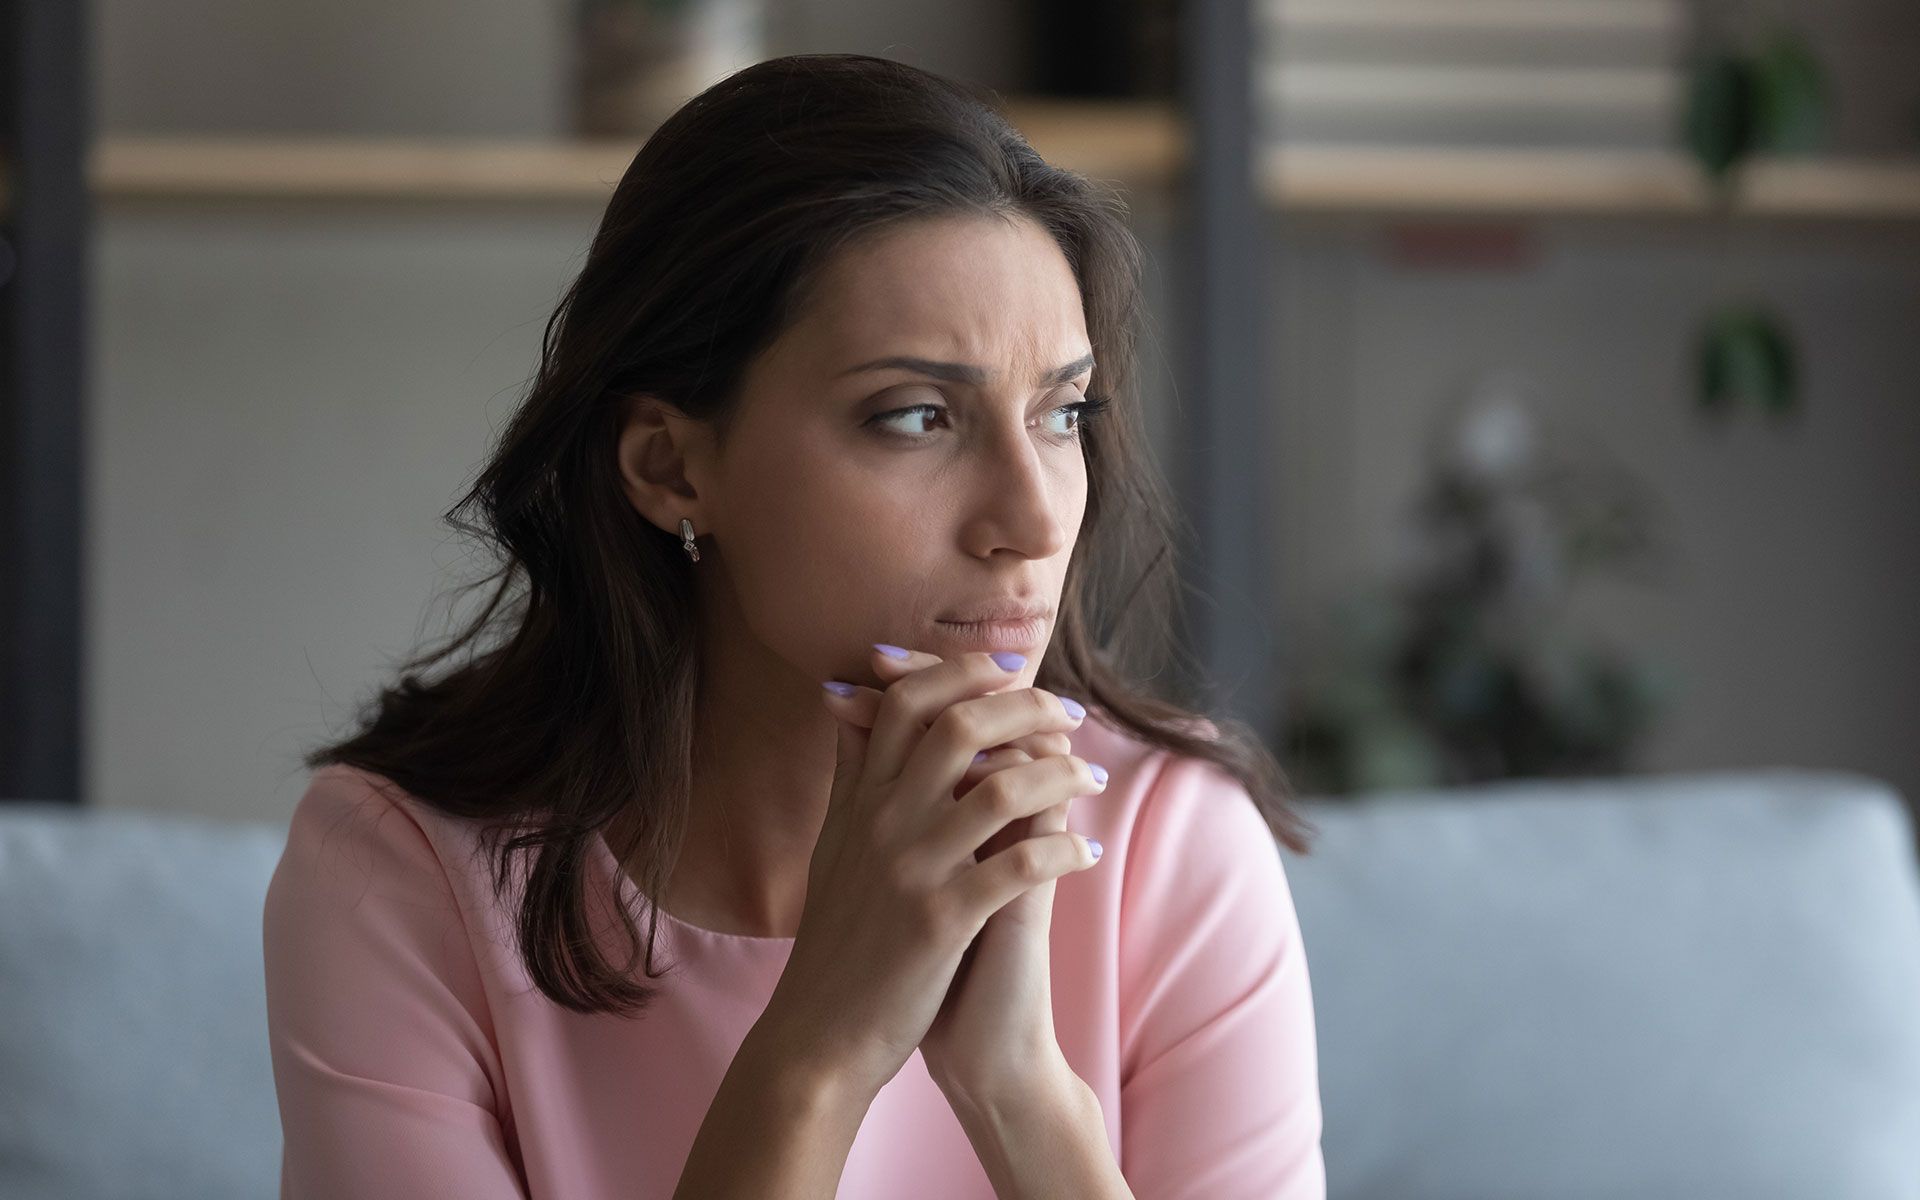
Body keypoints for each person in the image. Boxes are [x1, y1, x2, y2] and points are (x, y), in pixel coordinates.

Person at [262, 52, 1326, 1199]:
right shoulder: (403, 871)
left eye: (1062, 413)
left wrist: (1020, 1090)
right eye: (916, 417)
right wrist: (817, 1055)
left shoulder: (1174, 845)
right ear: (671, 467)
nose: (1029, 517)